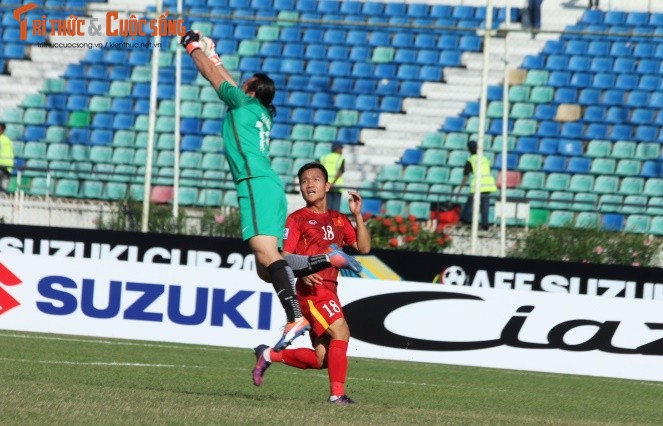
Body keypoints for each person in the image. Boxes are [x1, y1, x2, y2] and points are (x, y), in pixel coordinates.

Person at [181, 31, 361, 351]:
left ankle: (295, 316)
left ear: (249, 91)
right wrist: (215, 52)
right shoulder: (259, 111)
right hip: (270, 187)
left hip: (254, 185)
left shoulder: (242, 103)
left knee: (266, 255)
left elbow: (212, 75)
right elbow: (226, 77)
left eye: (244, 84)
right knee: (267, 270)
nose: (238, 85)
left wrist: (193, 47)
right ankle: (322, 259)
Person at [251, 162, 371, 405]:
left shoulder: (338, 218)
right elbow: (283, 256)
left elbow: (364, 248)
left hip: (330, 289)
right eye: (304, 181)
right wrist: (303, 271)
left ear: (327, 186)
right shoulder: (297, 219)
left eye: (315, 179)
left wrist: (358, 215)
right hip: (312, 291)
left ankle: (269, 354)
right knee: (341, 332)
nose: (309, 184)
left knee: (322, 359)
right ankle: (337, 396)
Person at [456, 141, 497, 231]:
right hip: (488, 185)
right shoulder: (485, 158)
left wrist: (459, 190)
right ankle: (485, 225)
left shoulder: (470, 160)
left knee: (470, 204)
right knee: (485, 206)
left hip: (478, 185)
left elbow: (465, 177)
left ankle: (465, 221)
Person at [319, 142, 345, 212]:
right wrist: (332, 183)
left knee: (326, 208)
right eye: (341, 149)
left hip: (325, 186)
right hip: (336, 186)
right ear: (337, 149)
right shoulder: (340, 158)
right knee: (335, 210)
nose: (342, 151)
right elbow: (339, 172)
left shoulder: (324, 158)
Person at [0, 123, 15, 193]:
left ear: (3, 130)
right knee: (3, 185)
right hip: (7, 166)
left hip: (4, 165)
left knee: (3, 185)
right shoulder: (7, 139)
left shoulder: (5, 140)